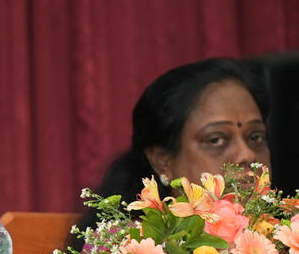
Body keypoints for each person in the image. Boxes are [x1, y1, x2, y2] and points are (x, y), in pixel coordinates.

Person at [80, 58, 271, 225]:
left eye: (255, 137)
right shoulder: (133, 248)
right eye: (216, 140)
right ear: (162, 160)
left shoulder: (281, 239)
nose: (247, 154)